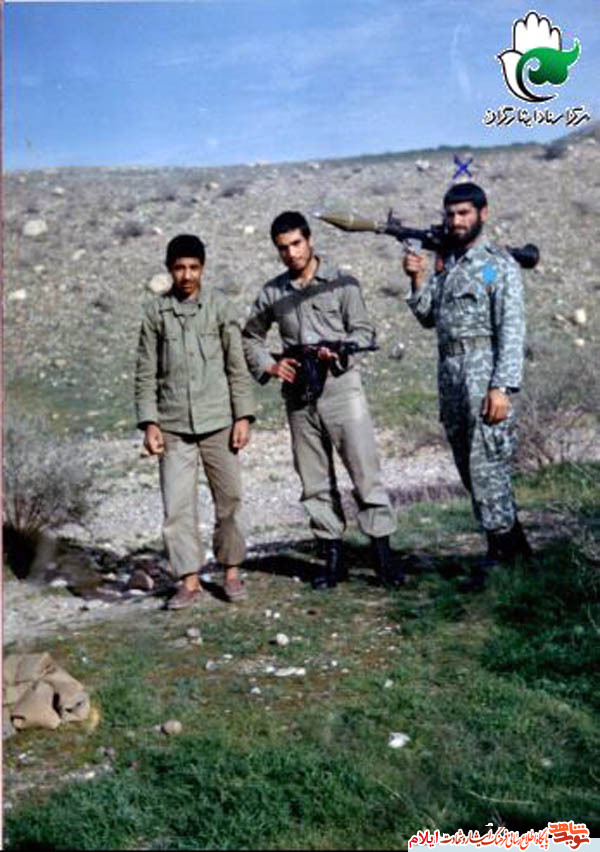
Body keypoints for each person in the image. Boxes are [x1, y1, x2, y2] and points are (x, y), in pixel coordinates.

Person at [242, 210, 402, 590]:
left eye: (297, 243)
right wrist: (270, 366)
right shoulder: (273, 293)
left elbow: (363, 330)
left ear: (310, 240)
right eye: (283, 248)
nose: (292, 253)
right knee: (313, 479)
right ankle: (332, 560)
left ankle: (383, 557)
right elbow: (249, 336)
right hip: (299, 393)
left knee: (364, 472)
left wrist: (341, 351)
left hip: (341, 388)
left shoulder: (342, 283)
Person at [402, 182, 532, 589]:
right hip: (452, 378)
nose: (456, 221)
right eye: (450, 214)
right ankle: (515, 551)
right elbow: (428, 317)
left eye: (464, 213)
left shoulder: (495, 265)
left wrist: (502, 386)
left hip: (483, 377)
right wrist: (418, 278)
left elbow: (511, 327)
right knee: (469, 468)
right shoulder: (450, 265)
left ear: (482, 214)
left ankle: (502, 556)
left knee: (487, 464)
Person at [135, 234, 255, 609]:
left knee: (230, 500)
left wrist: (243, 416)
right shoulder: (155, 314)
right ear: (169, 269)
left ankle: (231, 573)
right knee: (177, 508)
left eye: (194, 267)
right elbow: (145, 373)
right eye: (179, 268)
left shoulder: (220, 308)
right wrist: (149, 423)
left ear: (203, 268)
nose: (187, 275)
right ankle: (189, 581)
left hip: (219, 422)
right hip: (173, 425)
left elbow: (237, 367)